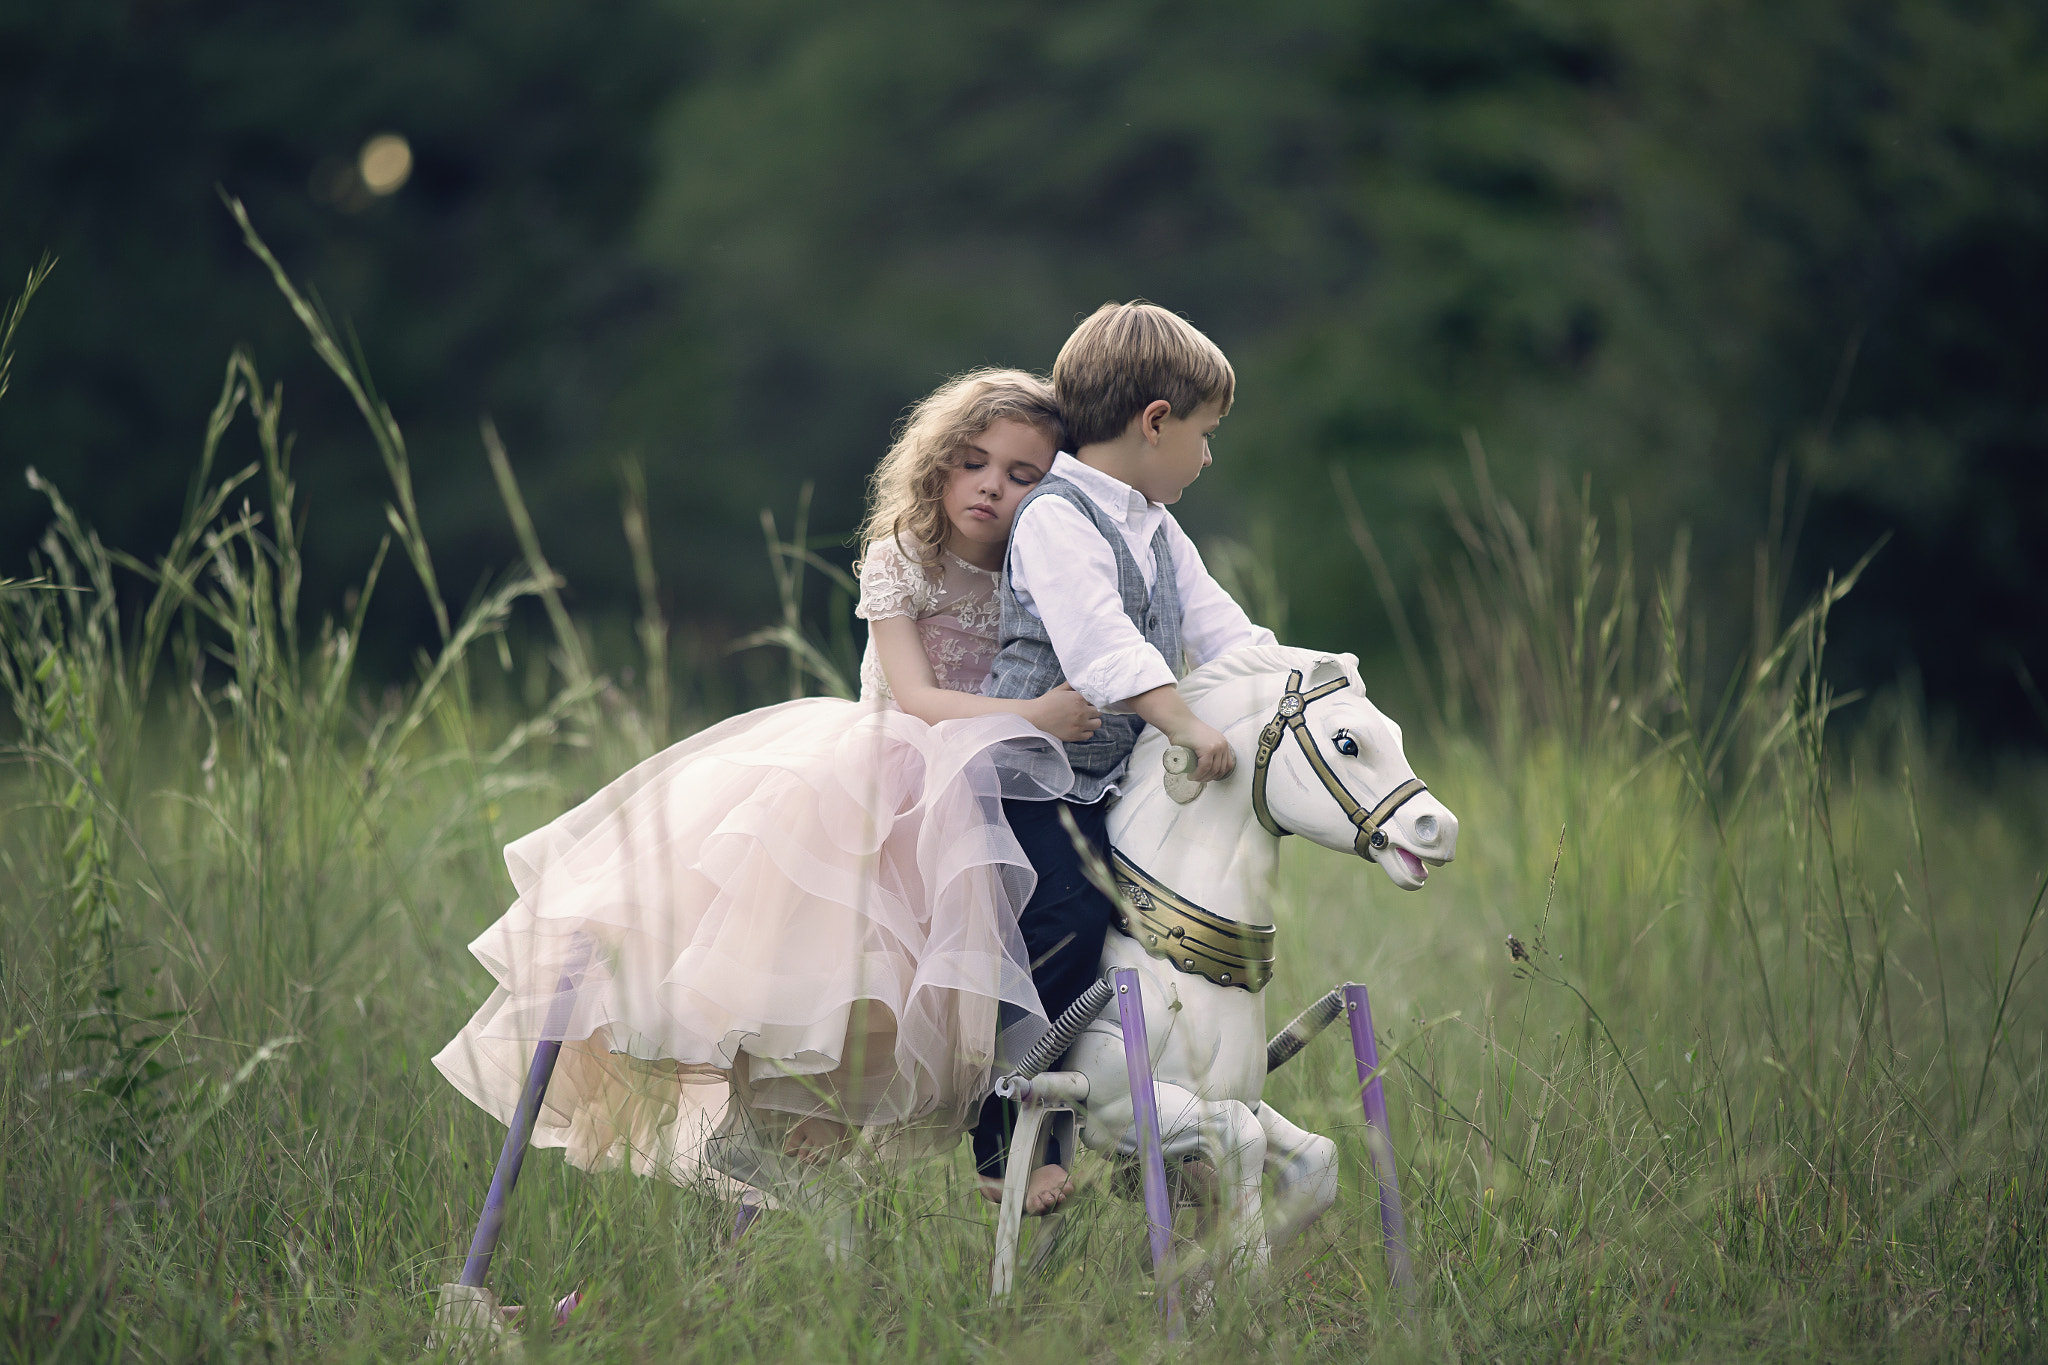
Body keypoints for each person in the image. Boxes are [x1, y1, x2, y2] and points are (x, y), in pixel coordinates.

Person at [433, 370, 1100, 1203]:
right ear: (939, 464)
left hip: (969, 797)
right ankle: (753, 1133)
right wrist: (1036, 714)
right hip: (878, 780)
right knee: (835, 975)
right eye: (974, 462)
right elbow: (919, 700)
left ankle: (828, 1158)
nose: (992, 486)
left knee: (913, 1000)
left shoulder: (1033, 577)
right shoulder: (903, 556)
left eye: (1022, 475)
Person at [970, 301, 1278, 1210]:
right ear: (1153, 422)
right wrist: (1185, 723)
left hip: (1108, 779)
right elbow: (1103, 646)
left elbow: (1223, 625)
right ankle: (999, 1135)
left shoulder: (1152, 521)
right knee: (1066, 917)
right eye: (1204, 433)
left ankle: (1130, 1104)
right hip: (1033, 777)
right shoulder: (1058, 517)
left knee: (1156, 927)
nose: (1208, 455)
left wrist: (1289, 680)